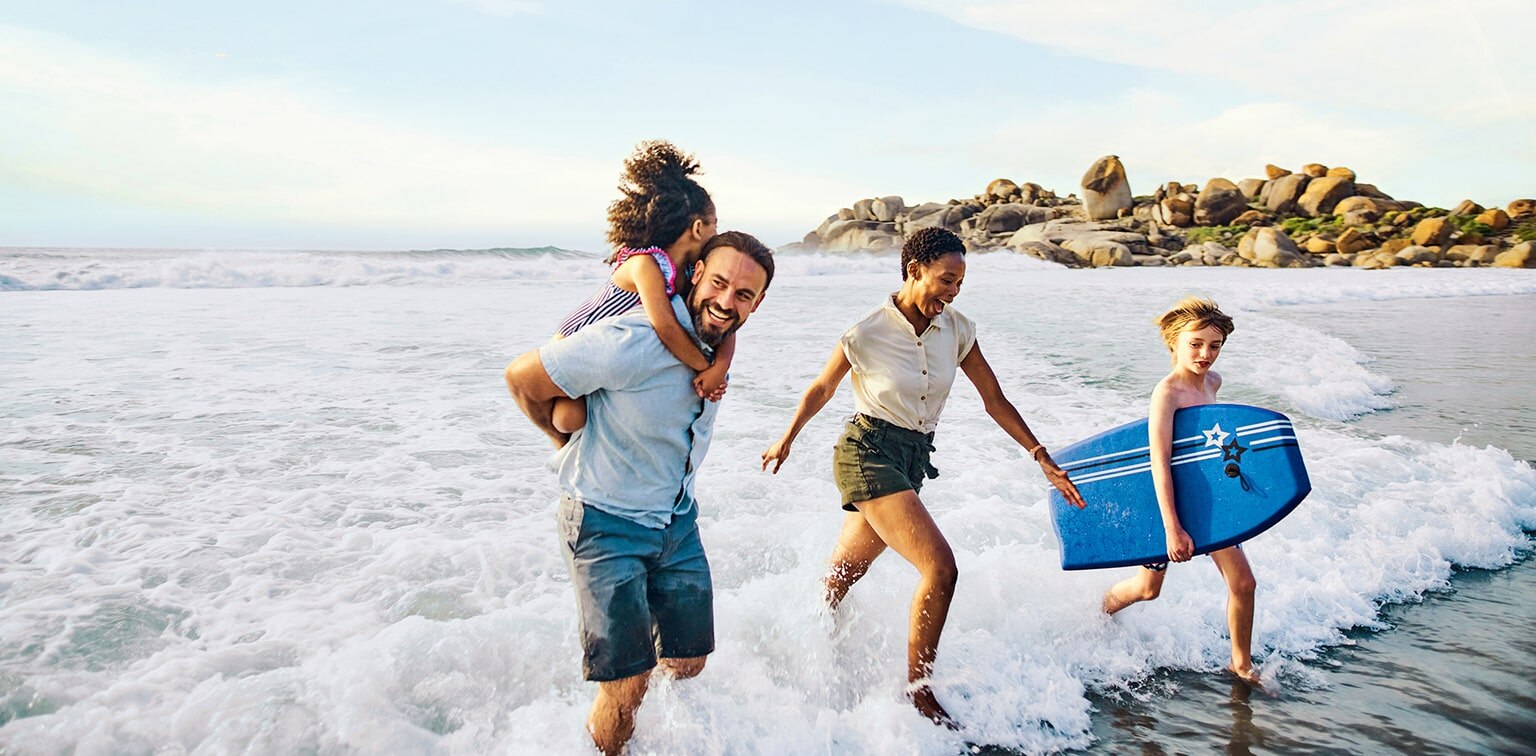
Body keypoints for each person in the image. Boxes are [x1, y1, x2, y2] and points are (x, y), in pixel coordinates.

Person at [760, 227, 1087, 727]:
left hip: (912, 459)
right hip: (866, 452)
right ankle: (919, 691)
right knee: (941, 568)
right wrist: (786, 437)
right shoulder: (867, 331)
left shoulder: (957, 329)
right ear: (915, 272)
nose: (953, 291)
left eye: (960, 282)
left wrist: (1039, 454)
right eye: (946, 280)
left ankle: (789, 642)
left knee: (839, 580)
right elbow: (821, 388)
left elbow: (994, 399)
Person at [504, 231, 772, 756]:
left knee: (689, 659)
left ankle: (658, 728)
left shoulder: (717, 347)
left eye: (744, 294)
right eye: (719, 284)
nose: (726, 301)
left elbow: (721, 336)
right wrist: (561, 439)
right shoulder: (636, 339)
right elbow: (521, 378)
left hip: (676, 522)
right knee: (628, 684)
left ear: (757, 303)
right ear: (696, 275)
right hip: (606, 523)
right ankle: (612, 728)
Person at [1099, 296, 1261, 685]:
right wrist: (1172, 528)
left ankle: (1241, 665)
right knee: (1147, 588)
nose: (1206, 354)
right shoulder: (1167, 393)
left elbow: (1212, 447)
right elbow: (1160, 461)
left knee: (1243, 582)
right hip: (1165, 504)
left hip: (1205, 502)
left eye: (1215, 346)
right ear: (1174, 342)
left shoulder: (1213, 383)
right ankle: (1095, 617)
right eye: (1196, 344)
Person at [550, 140, 730, 434]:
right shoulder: (644, 264)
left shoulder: (687, 271)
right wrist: (703, 368)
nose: (717, 233)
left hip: (611, 350)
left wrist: (719, 368)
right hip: (572, 341)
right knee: (568, 421)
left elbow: (726, 328)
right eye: (715, 226)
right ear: (698, 229)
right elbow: (666, 327)